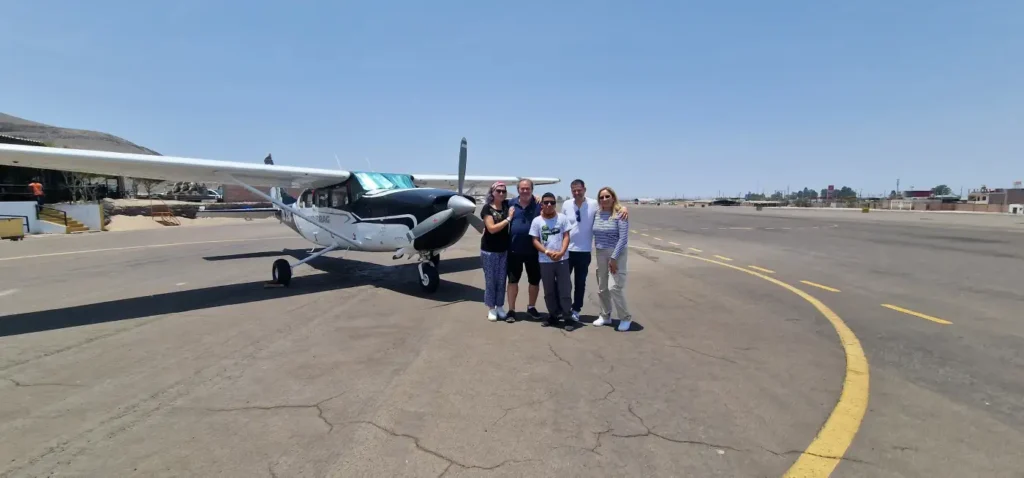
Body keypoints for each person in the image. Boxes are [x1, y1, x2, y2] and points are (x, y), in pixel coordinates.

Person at [562, 179, 628, 321]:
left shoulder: (593, 204)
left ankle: (576, 309)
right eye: (574, 190)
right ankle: (564, 308)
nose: (577, 192)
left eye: (579, 189)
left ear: (585, 189)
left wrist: (624, 208)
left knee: (580, 283)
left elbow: (611, 207)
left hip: (584, 251)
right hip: (567, 250)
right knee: (564, 282)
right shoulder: (566, 205)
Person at [530, 192, 575, 329]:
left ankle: (567, 316)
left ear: (555, 204)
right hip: (545, 261)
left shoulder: (562, 218)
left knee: (565, 289)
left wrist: (561, 252)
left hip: (562, 260)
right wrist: (546, 252)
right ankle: (553, 315)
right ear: (542, 204)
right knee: (549, 290)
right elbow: (535, 240)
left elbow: (566, 236)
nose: (549, 205)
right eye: (546, 202)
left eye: (552, 202)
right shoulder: (537, 221)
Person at [592, 186, 633, 331]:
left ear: (613, 198)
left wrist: (614, 258)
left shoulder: (620, 214)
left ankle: (625, 317)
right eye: (601, 197)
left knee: (614, 287)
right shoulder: (597, 213)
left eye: (607, 196)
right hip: (600, 252)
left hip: (617, 253)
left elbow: (623, 238)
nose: (604, 199)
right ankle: (605, 315)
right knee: (602, 288)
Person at [506, 178, 543, 321]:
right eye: (522, 188)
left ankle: (531, 307)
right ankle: (511, 310)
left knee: (534, 281)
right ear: (518, 190)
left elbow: (551, 212)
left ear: (532, 190)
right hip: (514, 250)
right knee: (512, 281)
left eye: (528, 188)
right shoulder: (510, 203)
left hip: (534, 251)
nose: (525, 191)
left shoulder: (539, 204)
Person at [480, 181, 514, 322]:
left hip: (503, 250)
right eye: (498, 191)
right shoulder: (487, 209)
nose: (501, 193)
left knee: (501, 280)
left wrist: (536, 197)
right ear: (492, 192)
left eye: (503, 191)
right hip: (489, 250)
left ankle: (500, 306)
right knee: (490, 280)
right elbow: (492, 229)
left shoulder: (507, 205)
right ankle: (491, 308)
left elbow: (523, 198)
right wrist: (508, 219)